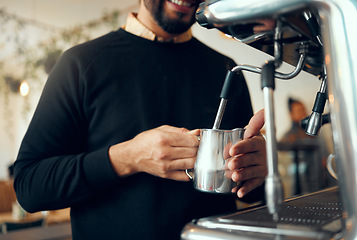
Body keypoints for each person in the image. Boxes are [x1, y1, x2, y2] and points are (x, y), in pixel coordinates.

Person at [13, 0, 267, 239]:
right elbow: (30, 187)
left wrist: (261, 168)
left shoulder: (226, 69)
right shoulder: (80, 64)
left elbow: (247, 192)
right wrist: (128, 157)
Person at [279, 97, 333, 194]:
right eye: (298, 110)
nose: (302, 112)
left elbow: (326, 156)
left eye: (303, 109)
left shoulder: (316, 131)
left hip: (320, 180)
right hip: (299, 185)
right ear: (291, 115)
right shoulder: (287, 137)